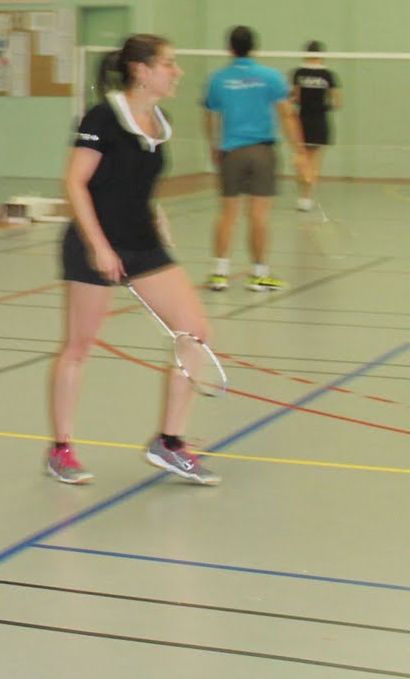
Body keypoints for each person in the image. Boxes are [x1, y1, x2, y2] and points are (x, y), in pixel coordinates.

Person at [47, 34, 218, 487]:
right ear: (141, 70)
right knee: (79, 347)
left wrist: (155, 214)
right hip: (93, 241)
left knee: (195, 332)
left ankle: (170, 442)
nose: (177, 72)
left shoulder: (161, 121)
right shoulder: (103, 117)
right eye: (169, 64)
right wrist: (99, 246)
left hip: (142, 243)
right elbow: (76, 183)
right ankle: (61, 450)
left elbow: (133, 183)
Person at [202, 25, 297, 293]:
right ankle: (259, 275)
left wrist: (214, 145)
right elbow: (287, 114)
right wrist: (299, 150)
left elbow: (210, 116)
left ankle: (219, 274)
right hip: (262, 152)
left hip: (230, 152)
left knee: (227, 214)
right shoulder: (271, 77)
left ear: (230, 48)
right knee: (259, 215)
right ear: (254, 47)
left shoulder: (217, 79)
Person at [290, 41, 339, 213]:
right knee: (314, 163)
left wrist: (302, 101)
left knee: (302, 159)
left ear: (306, 54)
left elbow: (295, 97)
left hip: (302, 121)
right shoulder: (328, 75)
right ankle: (307, 198)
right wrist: (322, 106)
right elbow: (337, 102)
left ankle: (302, 197)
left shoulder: (299, 73)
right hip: (320, 121)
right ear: (321, 55)